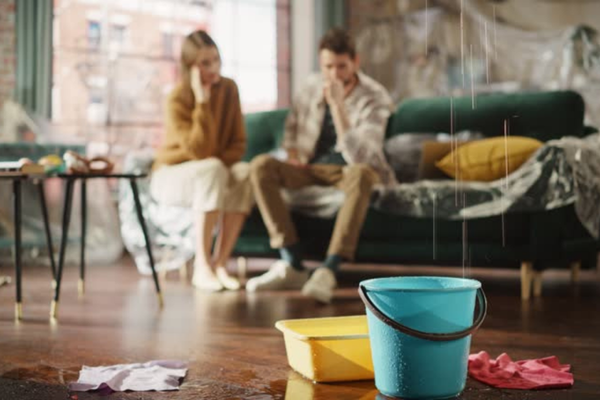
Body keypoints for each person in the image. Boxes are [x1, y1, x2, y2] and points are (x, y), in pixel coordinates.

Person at [246, 28, 396, 303]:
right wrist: (293, 156)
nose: (335, 74)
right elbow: (291, 129)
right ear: (320, 63)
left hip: (348, 171)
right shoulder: (311, 86)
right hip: (310, 169)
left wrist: (338, 106)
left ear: (355, 62)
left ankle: (329, 270)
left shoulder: (375, 97)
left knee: (364, 174)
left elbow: (365, 157)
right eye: (328, 66)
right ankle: (292, 263)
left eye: (342, 66)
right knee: (260, 166)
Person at [151, 30, 253, 292]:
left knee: (244, 172)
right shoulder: (176, 99)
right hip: (169, 176)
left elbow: (238, 145)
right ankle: (202, 266)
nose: (214, 68)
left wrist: (215, 160)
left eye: (216, 60)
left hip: (211, 171)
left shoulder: (229, 89)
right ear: (190, 67)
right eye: (205, 63)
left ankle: (220, 264)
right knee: (212, 168)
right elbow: (199, 150)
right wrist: (202, 101)